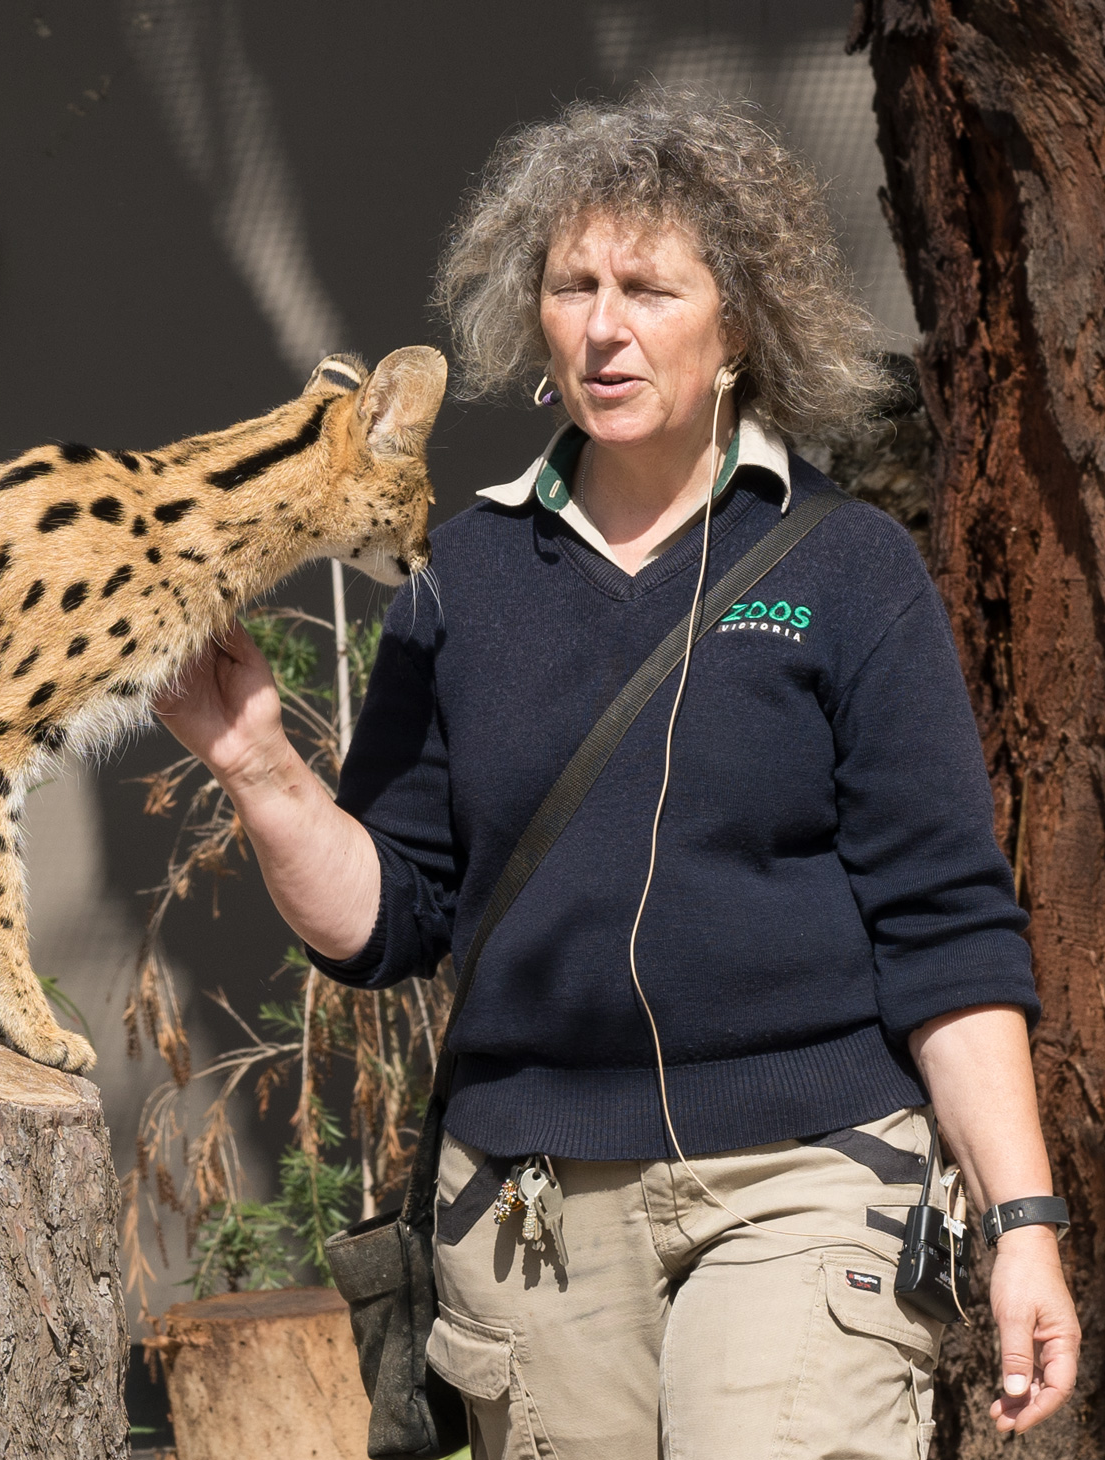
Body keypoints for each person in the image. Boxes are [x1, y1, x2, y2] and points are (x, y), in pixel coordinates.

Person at [156, 88, 1079, 1457]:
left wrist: (1022, 1224)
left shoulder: (845, 570)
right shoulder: (462, 575)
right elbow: (385, 921)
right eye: (571, 284)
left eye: (648, 287)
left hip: (809, 1176)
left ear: (739, 324)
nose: (603, 324)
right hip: (532, 1206)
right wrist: (257, 763)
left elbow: (948, 932)